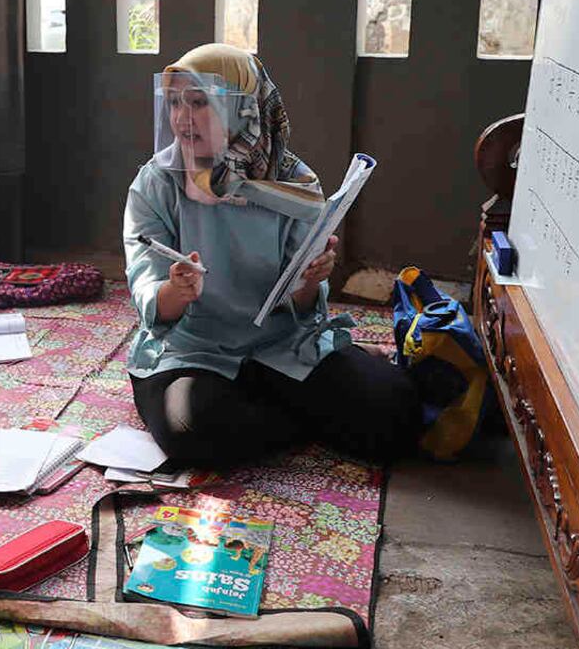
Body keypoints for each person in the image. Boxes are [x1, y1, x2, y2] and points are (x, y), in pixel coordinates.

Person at [124, 43, 422, 470]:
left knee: (396, 411)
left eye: (198, 102)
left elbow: (304, 308)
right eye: (174, 102)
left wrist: (308, 281)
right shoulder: (156, 183)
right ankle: (295, 411)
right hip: (192, 350)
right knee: (191, 428)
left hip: (281, 346)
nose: (181, 118)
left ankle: (265, 403)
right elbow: (146, 287)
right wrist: (176, 289)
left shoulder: (295, 182)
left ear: (243, 110)